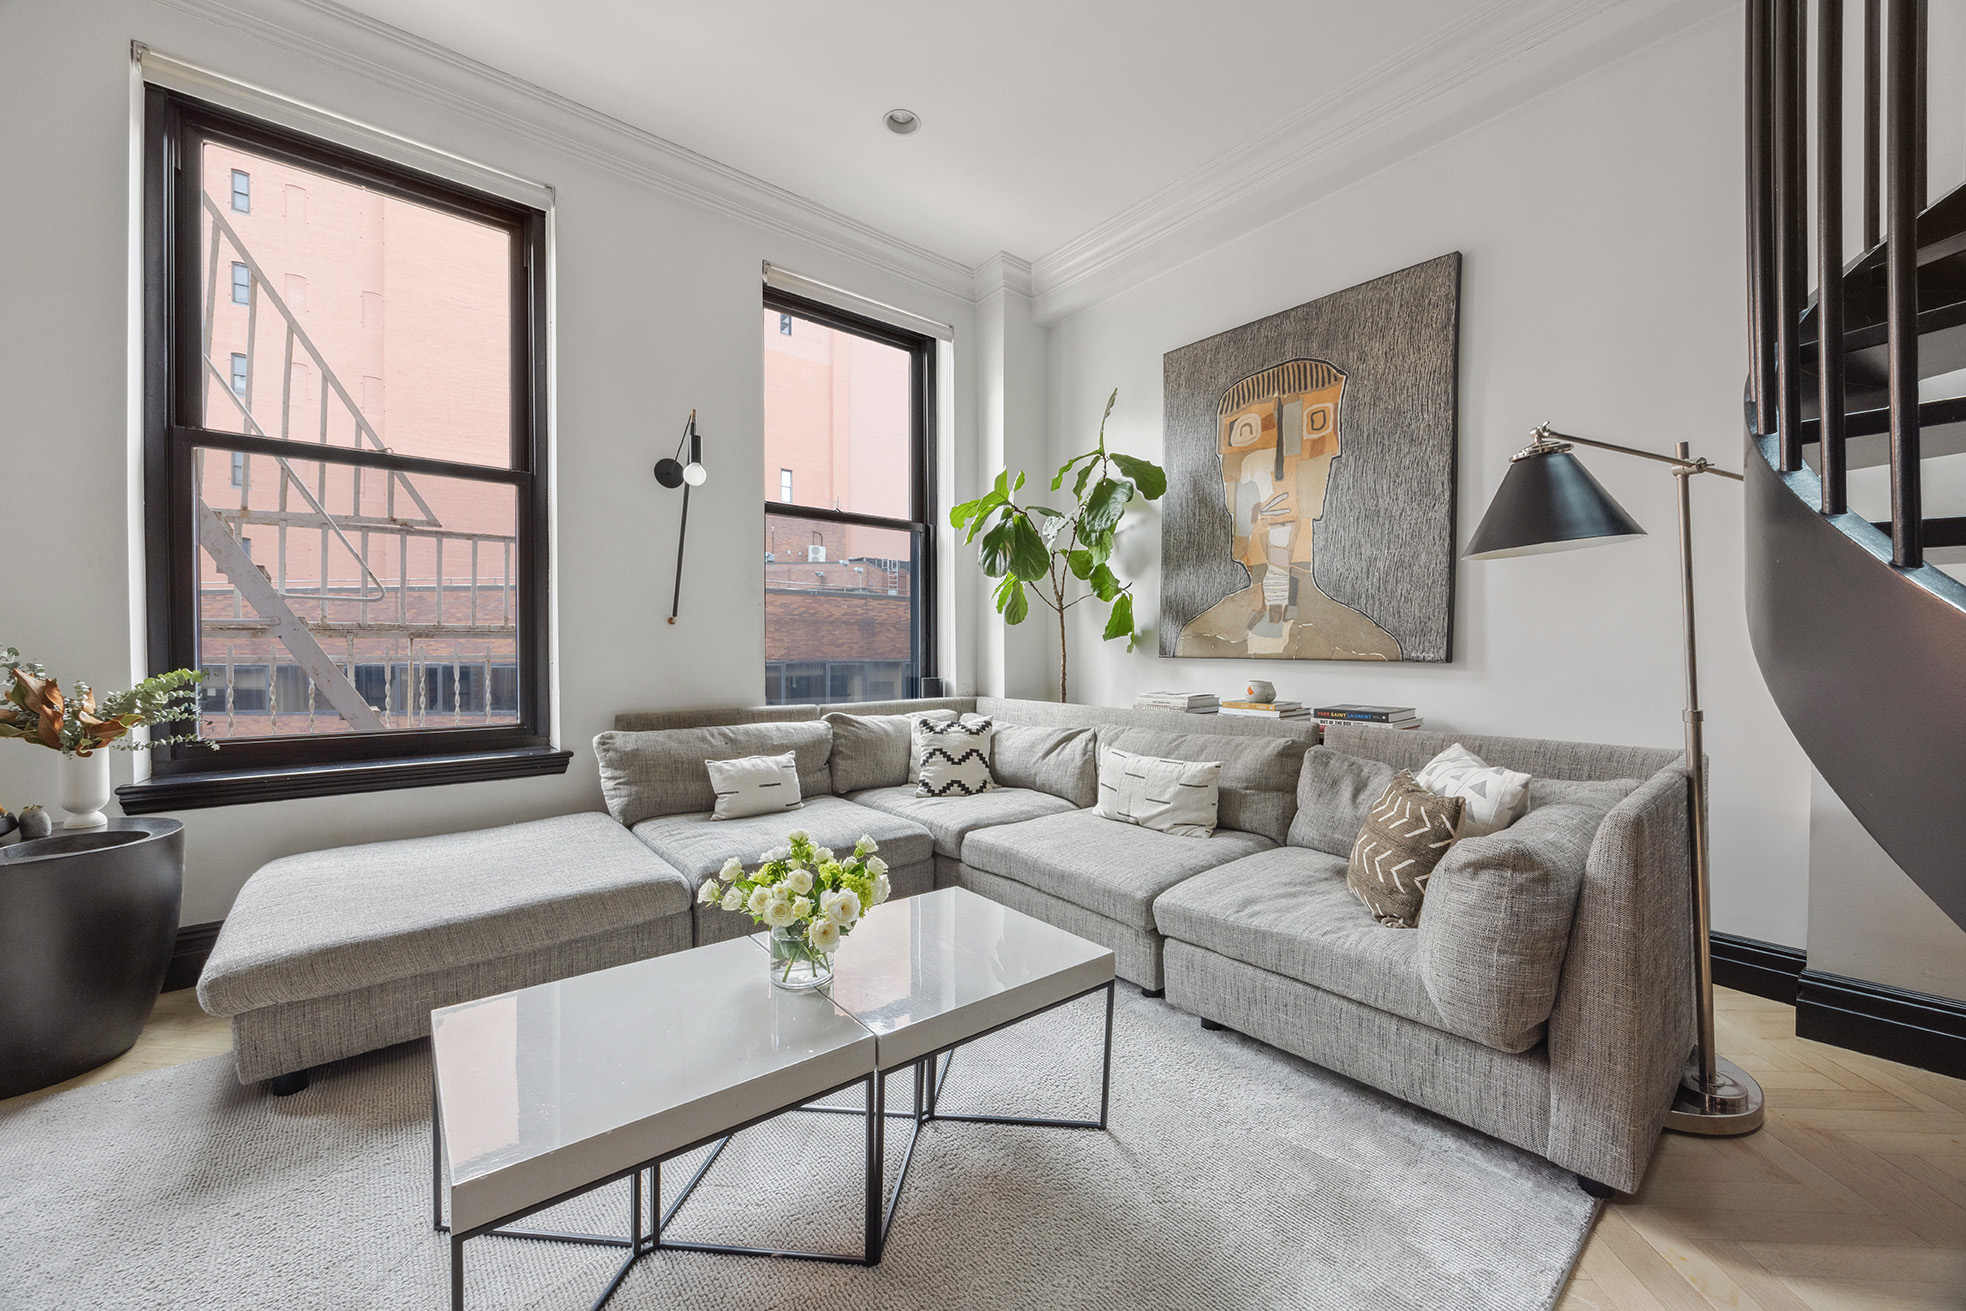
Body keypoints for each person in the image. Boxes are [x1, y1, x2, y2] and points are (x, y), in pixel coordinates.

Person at [1175, 359, 1402, 661]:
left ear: (1320, 489)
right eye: (1255, 481)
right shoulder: (1200, 639)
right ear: (1232, 496)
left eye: (1292, 473)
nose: (1276, 491)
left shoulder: (1368, 650)